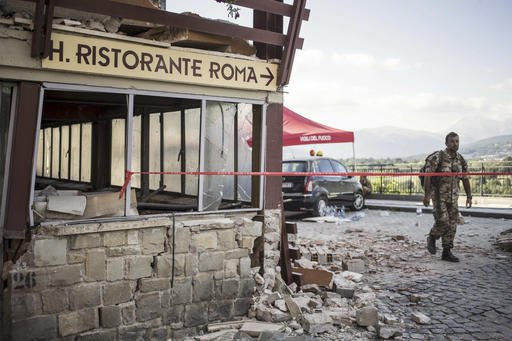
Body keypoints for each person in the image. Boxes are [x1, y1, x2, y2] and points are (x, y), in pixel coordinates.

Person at [423, 132, 472, 262]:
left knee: (452, 224)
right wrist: (427, 195)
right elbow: (428, 176)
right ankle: (432, 237)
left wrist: (469, 196)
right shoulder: (438, 157)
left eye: (457, 141)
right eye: (452, 141)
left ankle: (447, 251)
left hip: (453, 197)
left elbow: (465, 178)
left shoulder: (460, 159)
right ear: (446, 143)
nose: (455, 144)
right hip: (439, 196)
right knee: (443, 221)